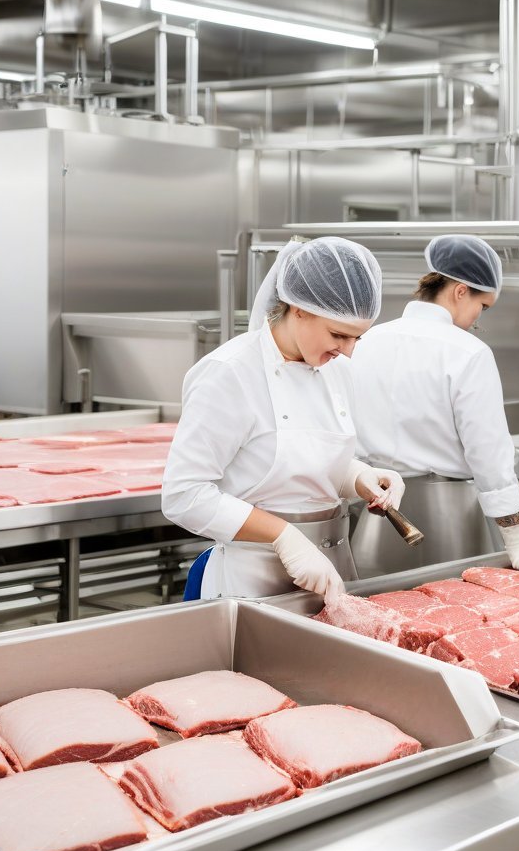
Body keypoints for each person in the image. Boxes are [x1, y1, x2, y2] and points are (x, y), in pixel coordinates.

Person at [162, 237, 406, 602]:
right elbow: (184, 495)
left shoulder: (336, 370)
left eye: (357, 338)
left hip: (332, 570)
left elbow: (302, 463)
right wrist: (283, 536)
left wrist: (358, 477)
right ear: (298, 309)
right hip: (249, 582)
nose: (347, 351)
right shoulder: (230, 372)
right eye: (338, 334)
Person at [350, 234, 519, 573]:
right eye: (482, 306)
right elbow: (487, 450)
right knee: (455, 604)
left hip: (376, 514)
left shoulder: (367, 340)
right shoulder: (468, 351)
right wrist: (516, 536)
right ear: (460, 291)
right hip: (450, 519)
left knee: (375, 604)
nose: (478, 318)